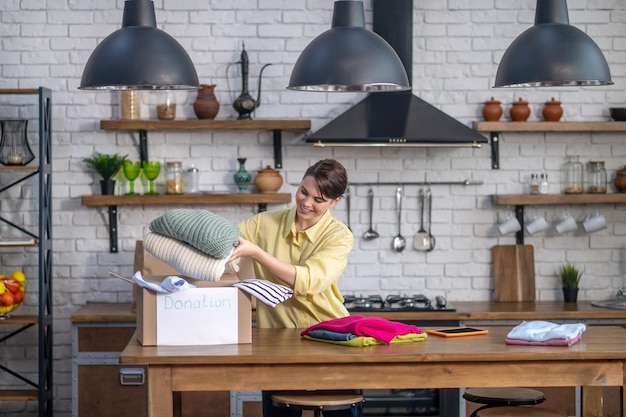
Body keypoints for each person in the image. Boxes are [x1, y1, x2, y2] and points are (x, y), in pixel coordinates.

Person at [229, 158, 359, 417]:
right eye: (303, 191)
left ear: (335, 201)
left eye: (319, 200)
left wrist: (256, 253)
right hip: (277, 341)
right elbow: (224, 238)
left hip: (331, 340)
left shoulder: (339, 236)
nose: (306, 203)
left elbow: (308, 281)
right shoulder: (263, 224)